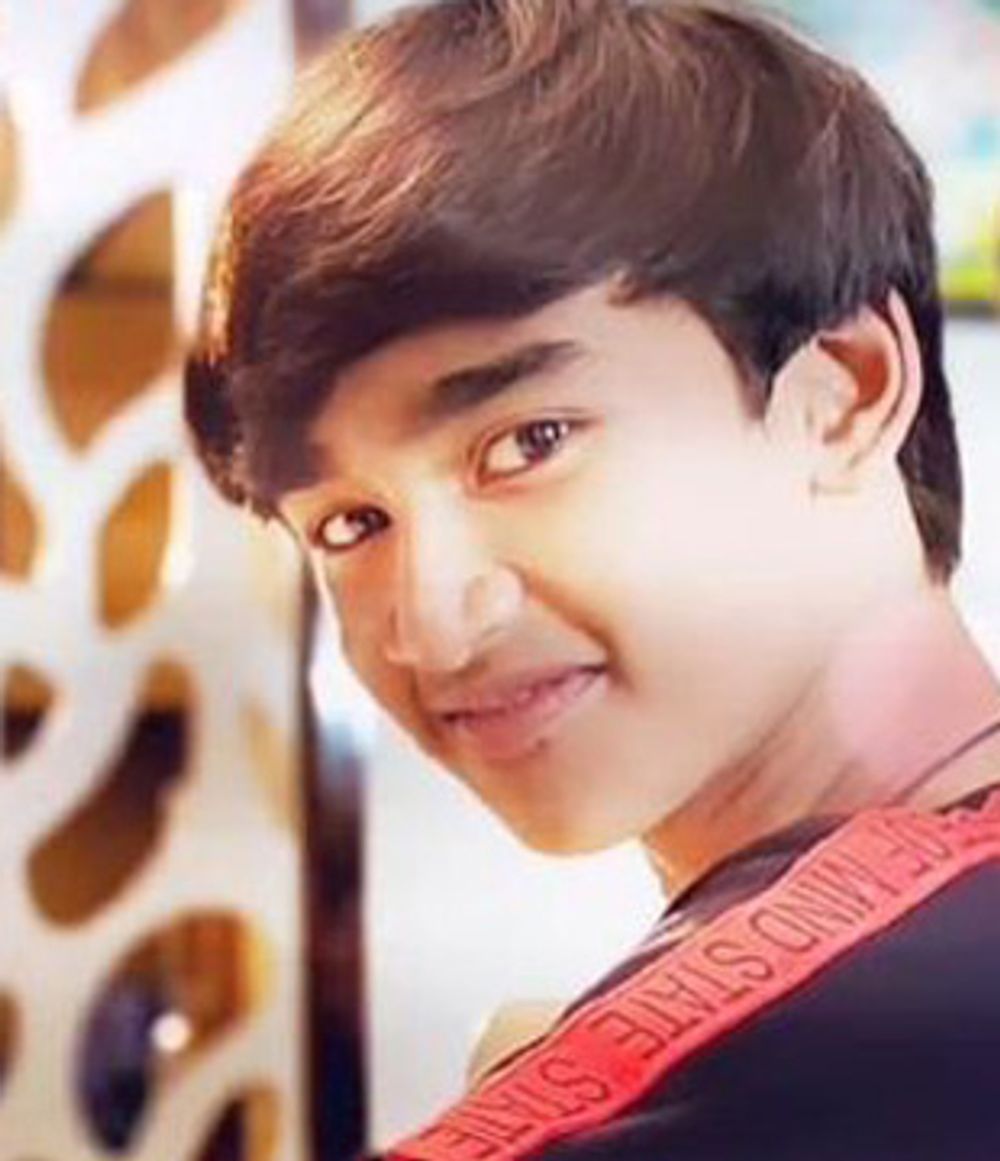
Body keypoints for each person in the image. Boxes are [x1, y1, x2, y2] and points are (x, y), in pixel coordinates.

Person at [183, 1, 1000, 1156]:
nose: (430, 625)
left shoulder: (817, 1059)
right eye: (352, 524)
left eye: (528, 443)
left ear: (841, 394)